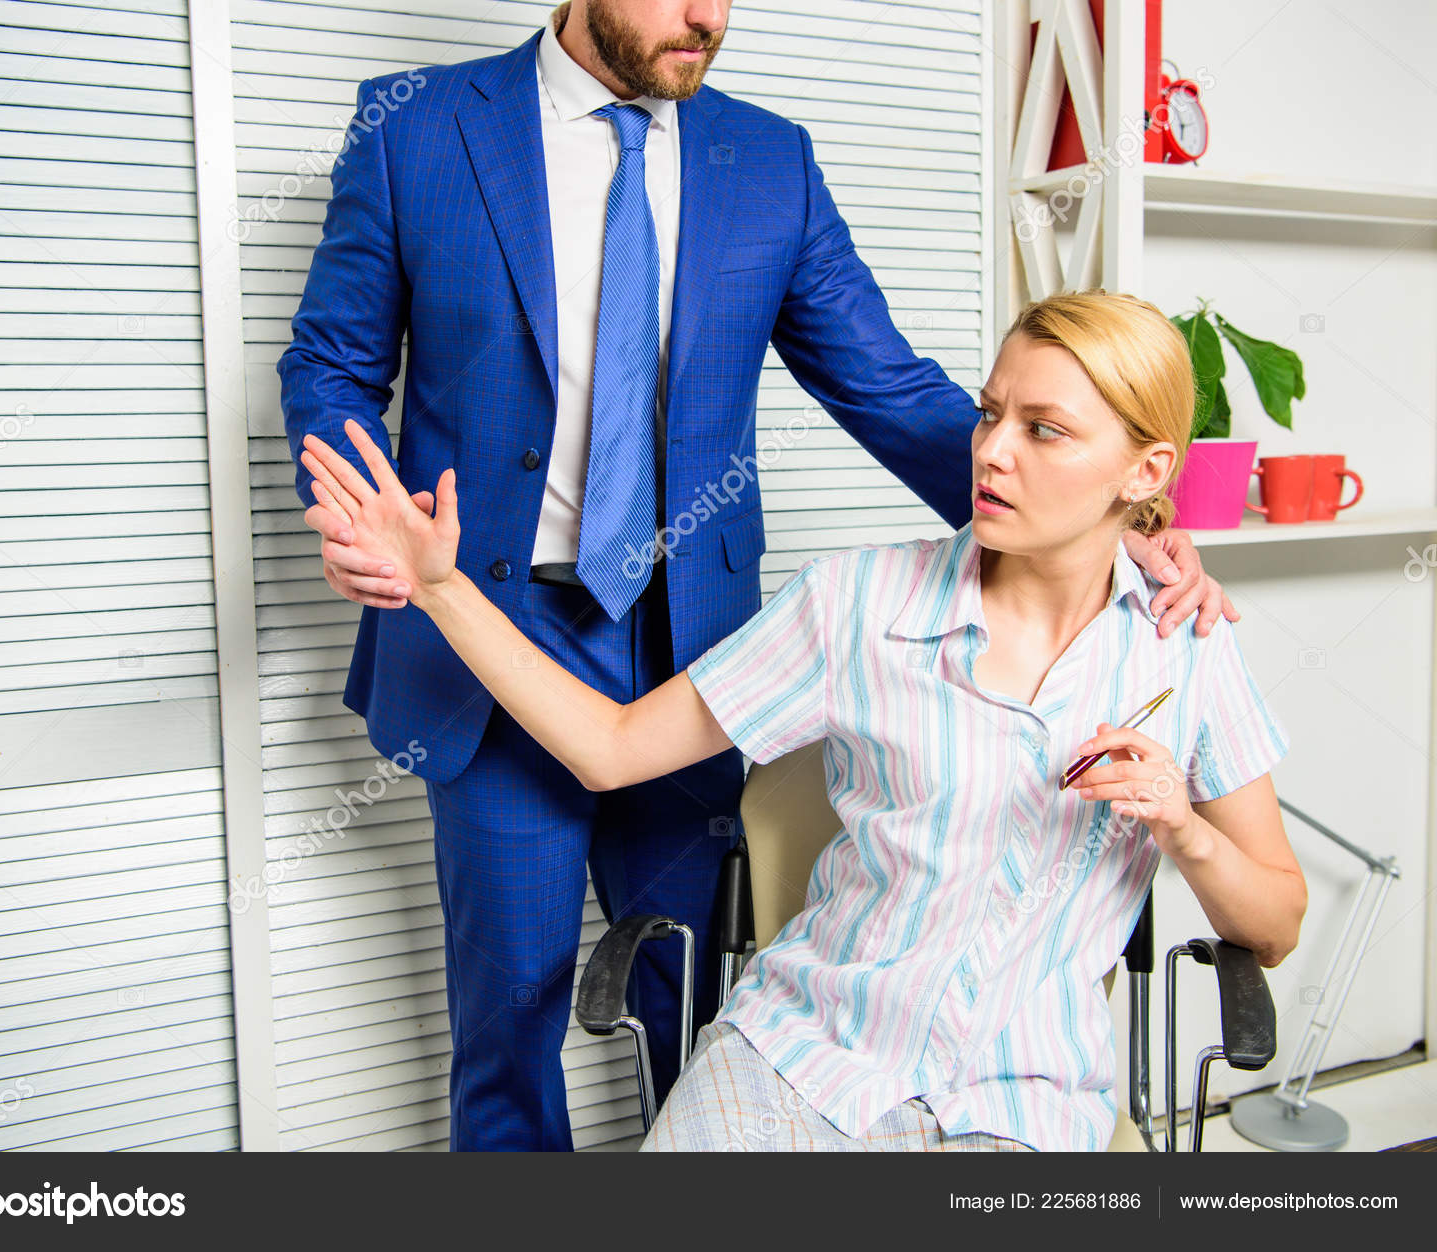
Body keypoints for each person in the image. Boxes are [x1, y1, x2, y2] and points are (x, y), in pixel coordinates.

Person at [276, 0, 1238, 1151]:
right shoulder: (418, 126)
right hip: (486, 630)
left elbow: (884, 384)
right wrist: (364, 512)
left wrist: (1112, 522)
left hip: (692, 639)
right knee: (512, 1013)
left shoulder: (768, 158)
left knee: (689, 990)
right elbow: (330, 362)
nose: (708, 16)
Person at [297, 289, 1306, 1152]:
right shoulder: (857, 602)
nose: (991, 452)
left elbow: (1274, 924)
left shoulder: (1184, 648)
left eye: (1044, 430)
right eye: (989, 413)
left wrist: (1182, 827)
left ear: (1145, 472)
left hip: (1022, 1102)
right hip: (799, 1058)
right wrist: (442, 588)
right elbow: (610, 748)